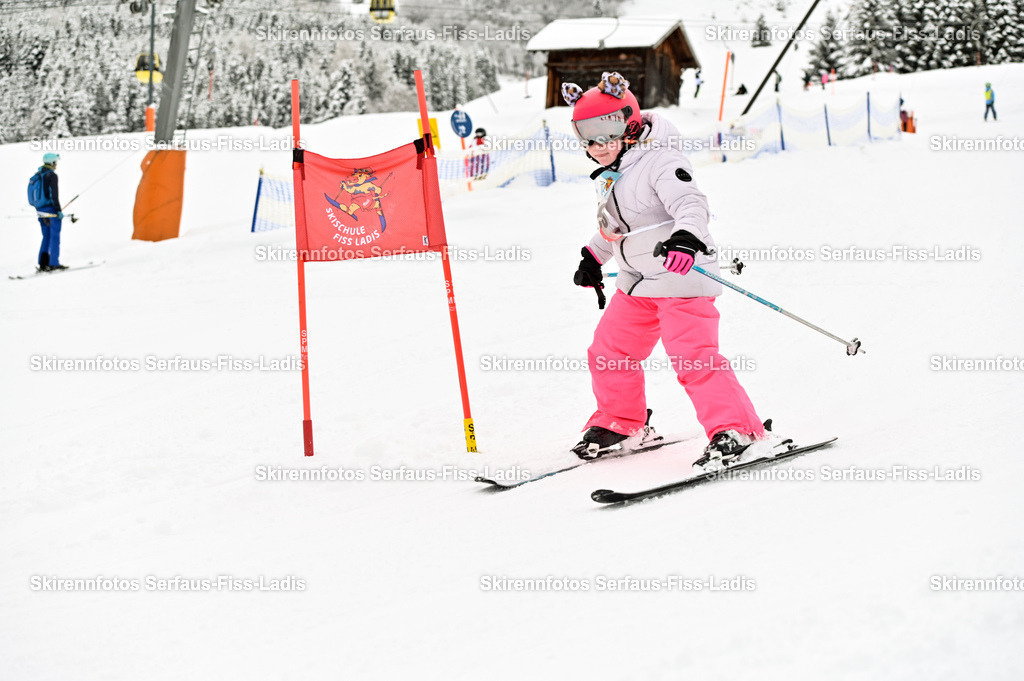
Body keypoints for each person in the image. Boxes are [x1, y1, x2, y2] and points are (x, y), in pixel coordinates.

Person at [561, 71, 765, 468]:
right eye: (585, 134)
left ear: (630, 122)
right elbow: (616, 226)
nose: (596, 145)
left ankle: (736, 430)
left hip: (680, 278)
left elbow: (691, 204)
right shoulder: (614, 172)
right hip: (638, 285)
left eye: (605, 131)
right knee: (609, 352)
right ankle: (621, 422)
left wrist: (686, 237)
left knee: (693, 359)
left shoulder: (660, 160)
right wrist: (593, 255)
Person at [27, 152, 67, 272]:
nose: (56, 165)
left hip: (40, 210)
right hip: (51, 210)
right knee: (55, 236)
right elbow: (54, 195)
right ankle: (54, 263)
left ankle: (43, 264)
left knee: (46, 236)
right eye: (56, 162)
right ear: (52, 163)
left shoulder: (38, 174)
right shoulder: (52, 176)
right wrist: (58, 211)